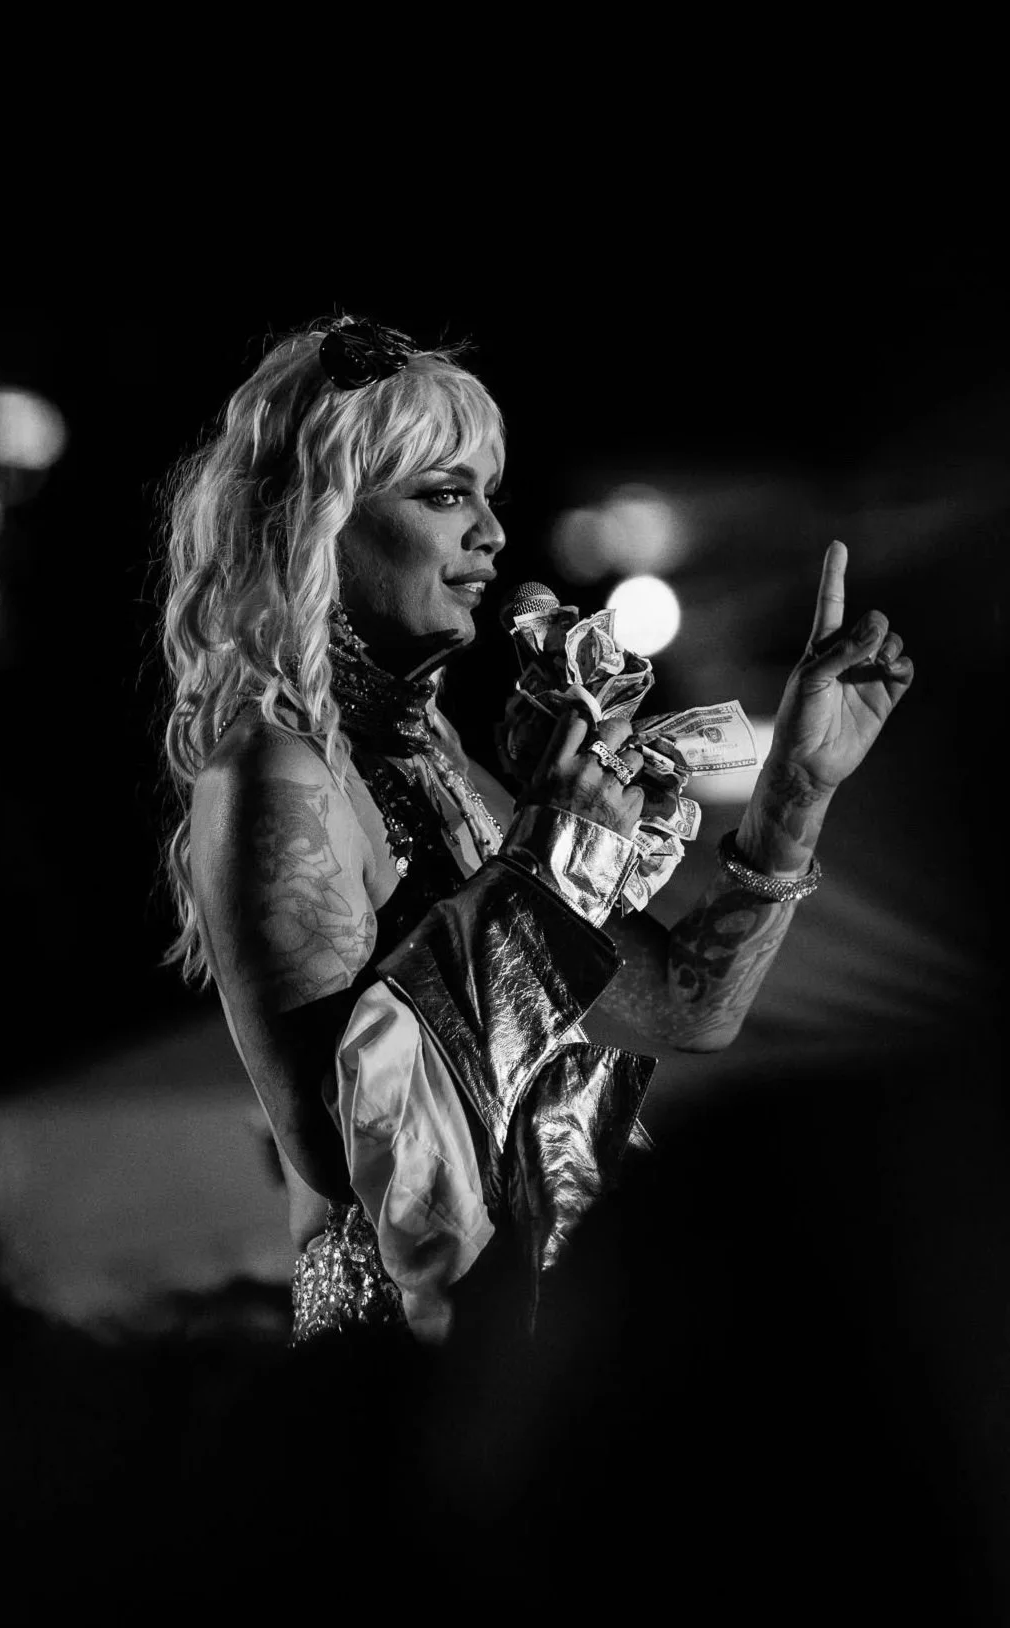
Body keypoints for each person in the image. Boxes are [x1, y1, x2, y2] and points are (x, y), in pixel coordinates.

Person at [160, 315, 914, 1348]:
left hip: (521, 1345)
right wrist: (549, 864)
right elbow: (349, 1146)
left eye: (487, 493)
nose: (494, 535)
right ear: (316, 522)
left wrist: (795, 791)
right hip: (398, 1385)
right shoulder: (273, 774)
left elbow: (689, 1006)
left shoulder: (434, 754)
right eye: (443, 494)